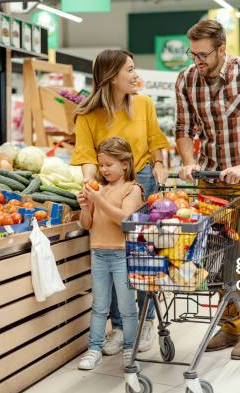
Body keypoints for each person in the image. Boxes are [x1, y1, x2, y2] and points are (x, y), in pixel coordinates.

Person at [175, 20, 240, 360]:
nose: (197, 61)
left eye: (203, 54)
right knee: (217, 255)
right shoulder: (187, 79)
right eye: (193, 54)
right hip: (210, 179)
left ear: (221, 49)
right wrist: (189, 161)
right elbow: (183, 127)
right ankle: (230, 326)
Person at [71, 49, 170, 355]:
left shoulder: (143, 104)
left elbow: (156, 144)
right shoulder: (87, 115)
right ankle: (119, 326)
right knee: (115, 255)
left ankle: (146, 321)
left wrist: (160, 169)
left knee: (143, 256)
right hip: (106, 186)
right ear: (112, 76)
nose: (134, 74)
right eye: (129, 69)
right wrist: (91, 187)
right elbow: (87, 157)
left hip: (142, 182)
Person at [77, 137, 144, 370]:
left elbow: (124, 219)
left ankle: (130, 349)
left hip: (122, 255)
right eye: (101, 165)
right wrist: (86, 207)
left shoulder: (133, 189)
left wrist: (98, 199)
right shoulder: (100, 189)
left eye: (109, 164)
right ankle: (94, 349)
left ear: (125, 164)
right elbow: (87, 224)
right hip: (98, 253)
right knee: (99, 306)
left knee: (127, 308)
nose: (103, 170)